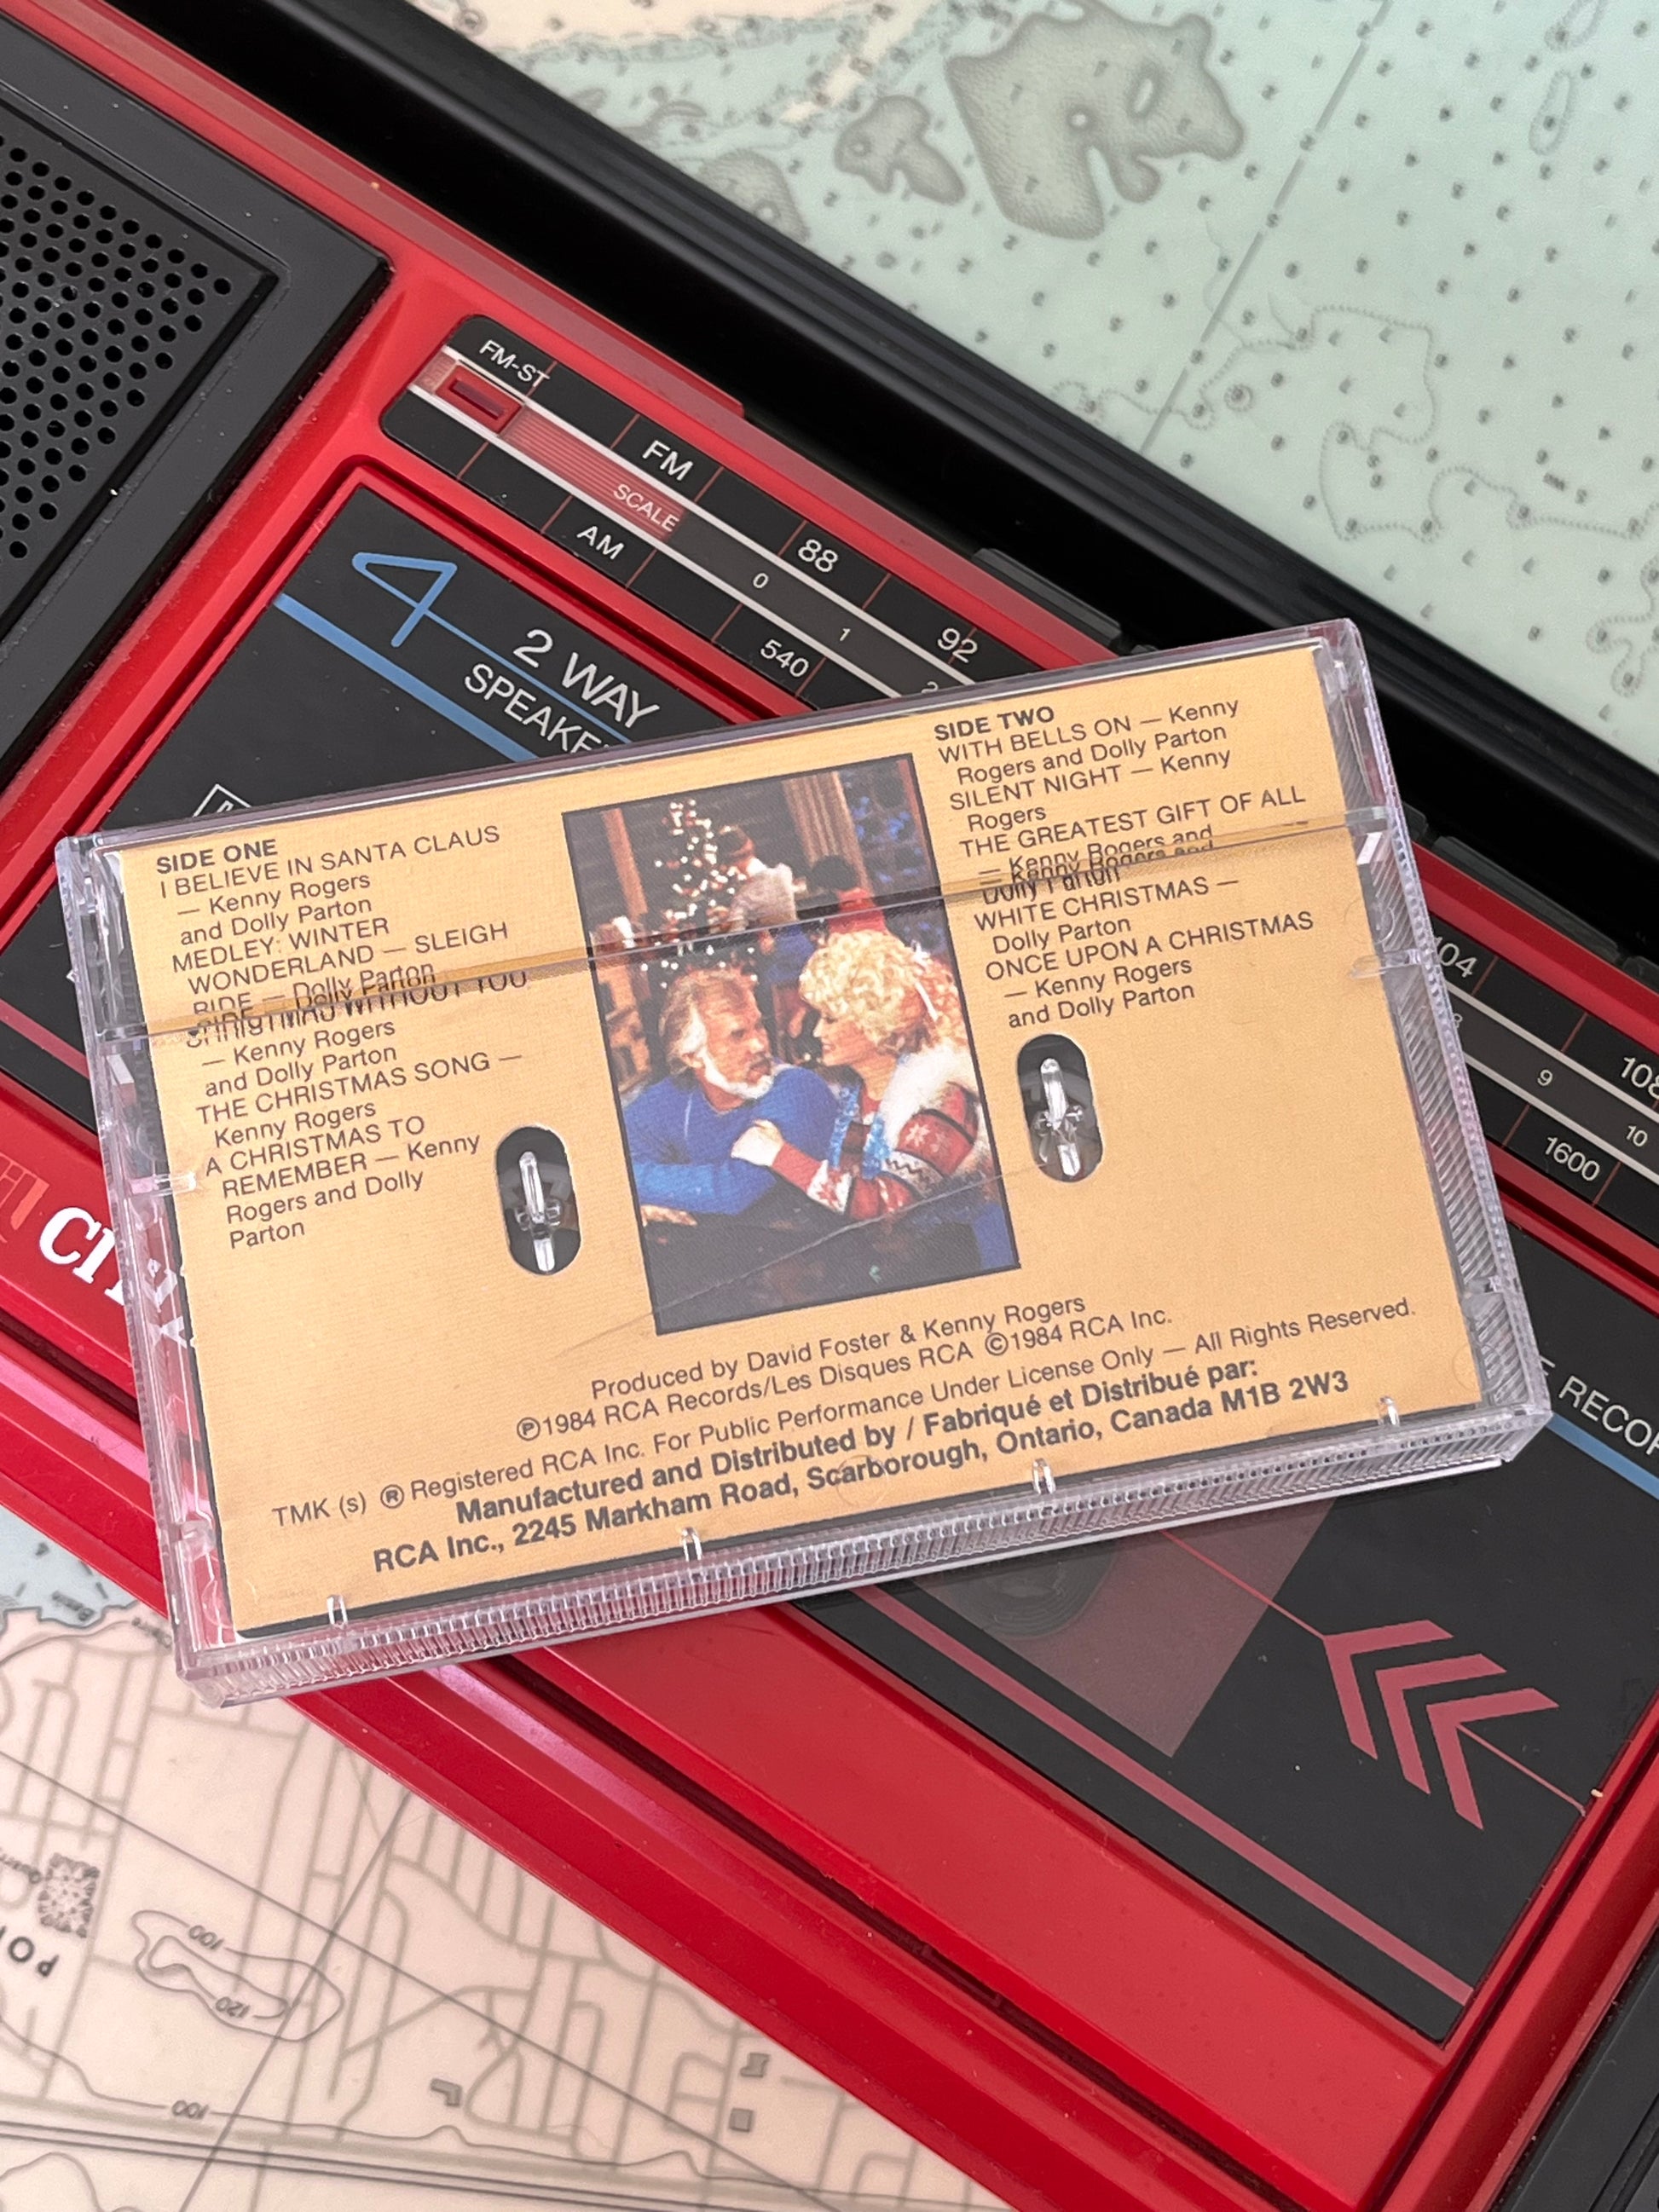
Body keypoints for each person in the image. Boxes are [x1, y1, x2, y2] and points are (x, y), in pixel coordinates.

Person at [731, 929, 1013, 1291]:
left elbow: (883, 1205)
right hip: (887, 1272)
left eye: (830, 1018)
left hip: (962, 1273)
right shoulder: (852, 1090)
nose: (817, 1032)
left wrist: (778, 1155)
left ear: (875, 1020)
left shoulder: (939, 1098)